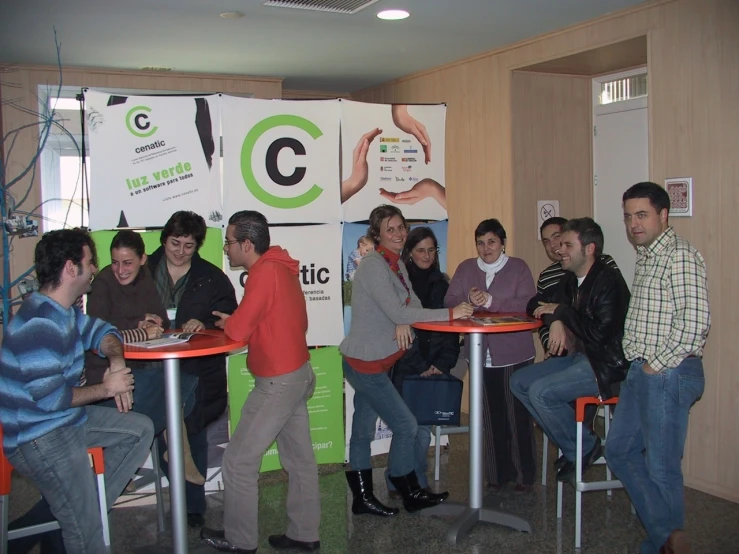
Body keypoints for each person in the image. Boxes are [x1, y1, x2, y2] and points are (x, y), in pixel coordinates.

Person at [0, 228, 154, 553]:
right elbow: (50, 399)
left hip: (68, 421)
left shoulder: (66, 312)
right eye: (90, 262)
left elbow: (103, 331)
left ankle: (80, 511)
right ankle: (80, 519)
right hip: (39, 436)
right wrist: (107, 388)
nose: (95, 269)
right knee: (87, 534)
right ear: (72, 268)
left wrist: (115, 360)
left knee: (140, 429)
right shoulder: (39, 323)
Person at [200, 211, 320, 554]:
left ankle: (239, 542)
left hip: (278, 382)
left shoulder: (263, 273)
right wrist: (236, 321)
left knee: (238, 461)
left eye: (229, 242)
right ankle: (304, 534)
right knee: (299, 461)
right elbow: (273, 319)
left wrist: (231, 324)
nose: (225, 248)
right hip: (297, 374)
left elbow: (239, 330)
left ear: (247, 244)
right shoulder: (280, 266)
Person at [341, 205, 473, 516]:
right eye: (391, 229)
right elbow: (401, 310)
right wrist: (450, 314)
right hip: (366, 364)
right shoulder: (374, 265)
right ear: (376, 234)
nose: (399, 233)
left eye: (401, 227)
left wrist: (403, 320)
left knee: (362, 431)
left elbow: (409, 303)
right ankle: (408, 489)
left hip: (378, 362)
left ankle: (364, 499)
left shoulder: (395, 264)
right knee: (407, 425)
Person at [606, 182, 710, 554]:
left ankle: (667, 541)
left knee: (662, 467)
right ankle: (669, 536)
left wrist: (655, 365)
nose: (634, 223)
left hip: (668, 372)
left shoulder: (679, 255)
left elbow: (695, 322)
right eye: (628, 216)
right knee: (619, 451)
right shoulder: (648, 255)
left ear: (663, 215)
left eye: (642, 215)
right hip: (644, 371)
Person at [510, 218, 631, 482]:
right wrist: (556, 322)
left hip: (606, 365)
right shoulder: (569, 279)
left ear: (589, 249)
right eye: (557, 243)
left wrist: (562, 312)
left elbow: (599, 335)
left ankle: (583, 446)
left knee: (541, 393)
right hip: (579, 359)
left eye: (567, 244)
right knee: (519, 381)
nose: (559, 249)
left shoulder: (608, 281)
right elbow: (534, 304)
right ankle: (576, 446)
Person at [85, 230, 204, 485]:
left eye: (127, 262)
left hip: (141, 369)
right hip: (106, 376)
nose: (120, 269)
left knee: (184, 383)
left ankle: (170, 447)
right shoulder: (102, 283)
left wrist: (150, 321)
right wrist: (140, 329)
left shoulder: (146, 277)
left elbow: (158, 316)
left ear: (142, 260)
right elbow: (101, 333)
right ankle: (174, 448)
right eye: (115, 262)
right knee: (174, 387)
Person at [147, 211, 238, 527]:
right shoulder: (143, 270)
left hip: (197, 371)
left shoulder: (212, 277)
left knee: (194, 435)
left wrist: (207, 322)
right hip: (153, 370)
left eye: (188, 245)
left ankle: (193, 508)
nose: (180, 251)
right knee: (160, 435)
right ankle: (178, 495)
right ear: (164, 238)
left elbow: (230, 314)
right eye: (175, 243)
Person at [445, 218, 537, 492]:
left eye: (491, 242)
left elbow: (527, 304)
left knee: (516, 415)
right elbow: (449, 301)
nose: (486, 248)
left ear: (503, 243)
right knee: (488, 416)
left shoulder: (518, 267)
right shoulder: (465, 268)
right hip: (479, 354)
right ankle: (496, 475)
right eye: (481, 243)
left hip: (514, 354)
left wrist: (492, 302)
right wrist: (468, 302)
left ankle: (523, 476)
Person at [385, 226, 460, 497]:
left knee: (424, 430)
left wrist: (442, 363)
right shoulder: (399, 284)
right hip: (407, 366)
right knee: (407, 428)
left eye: (431, 250)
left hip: (435, 366)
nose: (426, 255)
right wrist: (420, 364)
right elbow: (398, 329)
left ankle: (416, 480)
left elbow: (452, 328)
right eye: (420, 250)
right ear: (409, 253)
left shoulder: (444, 283)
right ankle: (399, 480)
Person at [534, 216, 619, 353]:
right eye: (546, 241)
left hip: (601, 358)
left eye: (557, 238)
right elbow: (539, 306)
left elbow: (600, 330)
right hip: (571, 352)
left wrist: (560, 312)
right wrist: (555, 322)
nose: (555, 246)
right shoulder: (564, 277)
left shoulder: (604, 271)